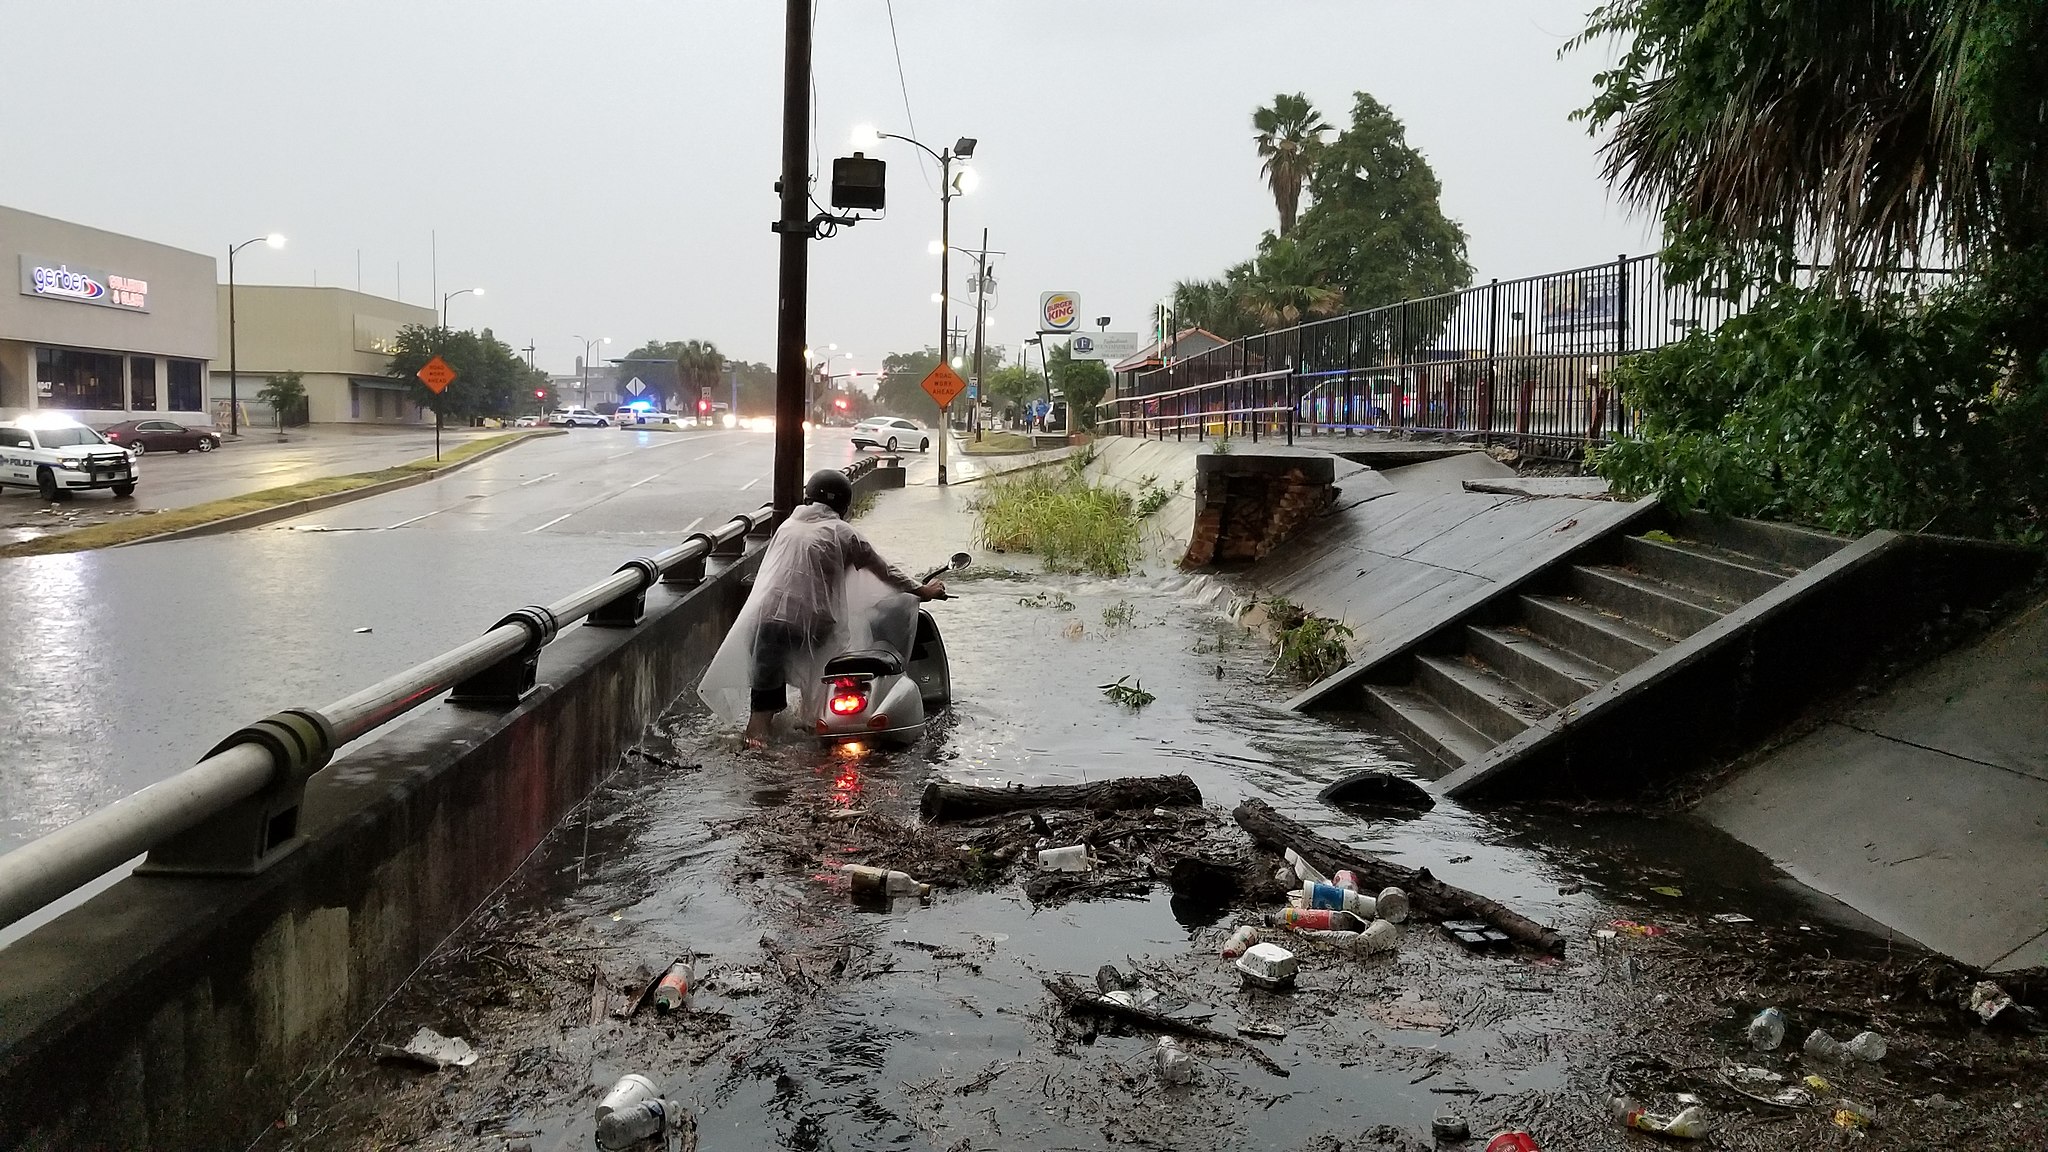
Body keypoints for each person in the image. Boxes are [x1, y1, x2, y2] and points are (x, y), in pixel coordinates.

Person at [698, 470, 944, 747]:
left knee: (761, 713)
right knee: (822, 687)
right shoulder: (844, 533)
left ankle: (757, 748)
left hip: (765, 623)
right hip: (813, 625)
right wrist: (924, 590)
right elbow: (885, 572)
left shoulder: (788, 527)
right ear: (843, 505)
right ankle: (817, 729)